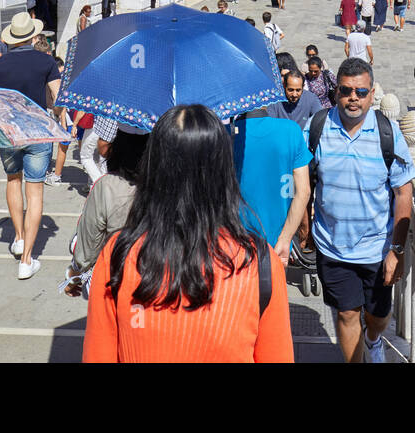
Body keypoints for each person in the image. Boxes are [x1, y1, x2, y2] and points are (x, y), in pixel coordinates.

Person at [84, 105, 293, 362]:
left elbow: (98, 354)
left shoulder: (119, 255)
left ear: (154, 166)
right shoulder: (259, 263)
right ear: (224, 171)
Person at [310, 58, 415, 363]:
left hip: (377, 248)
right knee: (346, 314)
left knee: (377, 316)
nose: (352, 98)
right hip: (332, 246)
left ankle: (373, 339)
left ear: (371, 95)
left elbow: (403, 192)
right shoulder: (317, 127)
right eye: (345, 91)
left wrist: (397, 250)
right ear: (336, 93)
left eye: (360, 91)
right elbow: (301, 180)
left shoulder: (388, 133)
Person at [0, 11, 64, 279]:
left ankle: (17, 237)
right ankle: (27, 259)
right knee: (35, 191)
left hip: (9, 132)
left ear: (11, 39)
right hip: (38, 131)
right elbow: (58, 96)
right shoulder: (45, 61)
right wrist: (54, 112)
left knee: (13, 180)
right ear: (32, 36)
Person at [64, 129, 148, 297]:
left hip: (118, 279)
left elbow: (88, 245)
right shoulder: (171, 185)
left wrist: (73, 275)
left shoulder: (107, 186)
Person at [230, 108, 312, 263]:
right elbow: (304, 191)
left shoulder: (224, 135)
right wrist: (286, 238)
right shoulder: (290, 129)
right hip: (277, 245)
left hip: (232, 245)